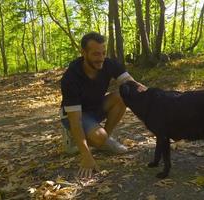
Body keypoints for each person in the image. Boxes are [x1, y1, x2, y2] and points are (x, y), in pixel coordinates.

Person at [59, 32, 146, 178]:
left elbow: (131, 84)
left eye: (103, 53)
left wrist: (156, 97)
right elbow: (75, 121)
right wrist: (86, 157)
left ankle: (104, 140)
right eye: (95, 54)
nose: (101, 58)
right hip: (74, 115)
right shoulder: (70, 78)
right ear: (83, 52)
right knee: (95, 136)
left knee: (122, 95)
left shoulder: (109, 64)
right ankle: (81, 137)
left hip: (96, 107)